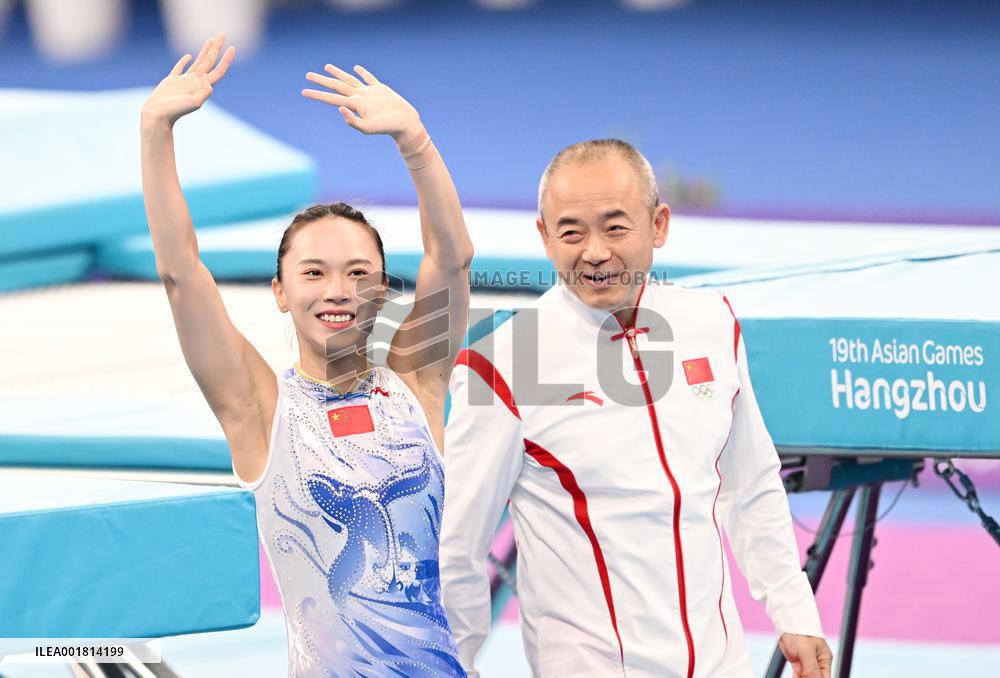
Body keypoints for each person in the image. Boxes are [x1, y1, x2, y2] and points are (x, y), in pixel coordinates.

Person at [140, 34, 472, 677]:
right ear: (280, 292)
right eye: (314, 273)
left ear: (381, 289)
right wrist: (156, 131)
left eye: (356, 273)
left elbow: (451, 258)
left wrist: (417, 142)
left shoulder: (418, 383)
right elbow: (181, 273)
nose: (337, 292)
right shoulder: (257, 407)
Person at [440, 139, 833, 677]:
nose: (594, 251)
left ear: (659, 225)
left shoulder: (712, 321)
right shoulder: (502, 365)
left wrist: (794, 609)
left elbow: (751, 480)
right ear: (544, 238)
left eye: (615, 227)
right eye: (571, 232)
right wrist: (449, 667)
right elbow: (458, 548)